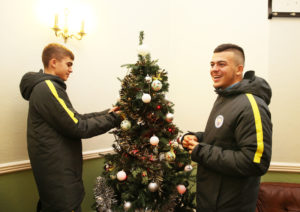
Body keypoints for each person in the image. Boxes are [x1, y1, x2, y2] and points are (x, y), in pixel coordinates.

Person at [19, 43, 121, 212]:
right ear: (53, 62)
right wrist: (116, 118)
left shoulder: (47, 87)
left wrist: (108, 113)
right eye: (69, 64)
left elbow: (75, 118)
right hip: (59, 175)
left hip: (57, 171)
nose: (71, 69)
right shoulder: (47, 88)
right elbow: (78, 127)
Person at [182, 44, 272, 212]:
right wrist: (197, 138)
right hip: (209, 204)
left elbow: (255, 162)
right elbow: (224, 139)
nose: (214, 69)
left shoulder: (252, 105)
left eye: (221, 64)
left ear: (239, 70)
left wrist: (200, 151)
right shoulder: (225, 97)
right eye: (212, 64)